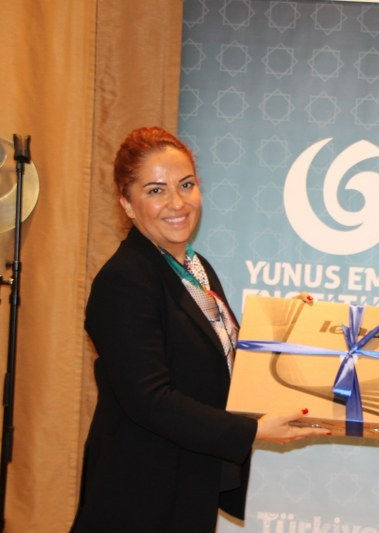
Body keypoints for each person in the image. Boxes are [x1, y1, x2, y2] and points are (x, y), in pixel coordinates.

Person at [71, 127, 328, 533]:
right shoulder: (124, 279)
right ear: (127, 203)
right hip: (140, 490)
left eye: (186, 185)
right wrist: (253, 430)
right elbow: (151, 400)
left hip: (189, 477)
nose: (177, 202)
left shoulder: (194, 266)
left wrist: (279, 328)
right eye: (156, 190)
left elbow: (211, 357)